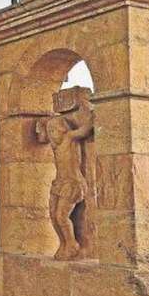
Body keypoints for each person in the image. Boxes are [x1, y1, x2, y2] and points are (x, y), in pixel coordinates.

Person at [36, 104, 94, 260]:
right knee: (53, 216)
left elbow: (84, 131)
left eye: (54, 130)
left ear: (63, 129)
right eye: (50, 132)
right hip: (60, 183)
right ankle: (64, 244)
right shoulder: (55, 146)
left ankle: (72, 244)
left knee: (61, 216)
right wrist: (43, 124)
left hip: (73, 183)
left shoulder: (68, 139)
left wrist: (90, 113)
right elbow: (40, 137)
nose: (51, 134)